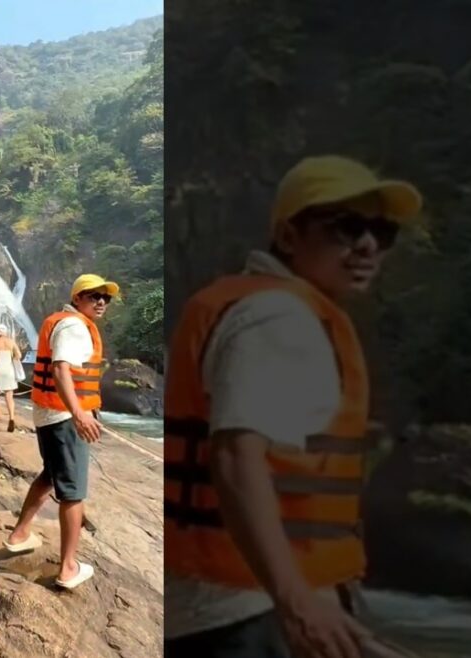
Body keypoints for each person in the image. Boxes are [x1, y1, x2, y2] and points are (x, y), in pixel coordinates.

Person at [164, 156, 422, 658]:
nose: (367, 245)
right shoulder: (277, 316)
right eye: (346, 228)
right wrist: (297, 600)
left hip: (239, 604)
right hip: (248, 613)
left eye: (381, 232)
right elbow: (237, 458)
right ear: (288, 236)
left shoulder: (255, 305)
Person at [3, 274, 117, 591]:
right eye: (94, 295)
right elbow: (60, 368)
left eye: (105, 298)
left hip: (50, 414)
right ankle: (68, 568)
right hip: (65, 417)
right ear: (78, 298)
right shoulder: (73, 326)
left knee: (50, 475)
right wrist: (80, 413)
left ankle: (20, 534)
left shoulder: (63, 322)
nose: (101, 302)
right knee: (74, 491)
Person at [0, 324, 22, 431]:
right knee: (9, 396)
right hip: (9, 369)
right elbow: (19, 355)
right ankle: (12, 418)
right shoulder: (11, 341)